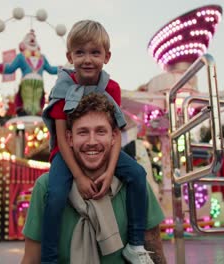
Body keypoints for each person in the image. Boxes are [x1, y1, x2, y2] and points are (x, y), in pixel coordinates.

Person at [40, 20, 150, 263]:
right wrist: (79, 176)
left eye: (94, 52)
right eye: (80, 52)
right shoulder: (63, 88)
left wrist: (110, 172)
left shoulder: (112, 88)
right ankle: (48, 258)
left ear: (106, 56)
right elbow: (60, 136)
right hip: (67, 149)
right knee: (55, 193)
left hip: (103, 147)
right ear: (69, 56)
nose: (87, 59)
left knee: (138, 174)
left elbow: (115, 132)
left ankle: (135, 243)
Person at [22, 93, 166, 263]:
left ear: (113, 137)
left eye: (100, 131)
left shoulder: (134, 185)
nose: (92, 141)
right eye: (83, 132)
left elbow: (155, 254)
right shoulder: (46, 187)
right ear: (69, 138)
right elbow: (31, 259)